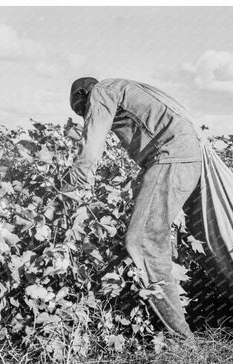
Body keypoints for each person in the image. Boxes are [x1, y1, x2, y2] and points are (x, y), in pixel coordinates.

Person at [66, 77, 202, 341]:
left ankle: (182, 342)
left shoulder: (102, 91)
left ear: (84, 93)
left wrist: (77, 179)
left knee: (143, 244)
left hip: (170, 159)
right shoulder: (125, 88)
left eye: (82, 109)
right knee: (153, 239)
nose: (86, 115)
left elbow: (93, 139)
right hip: (183, 159)